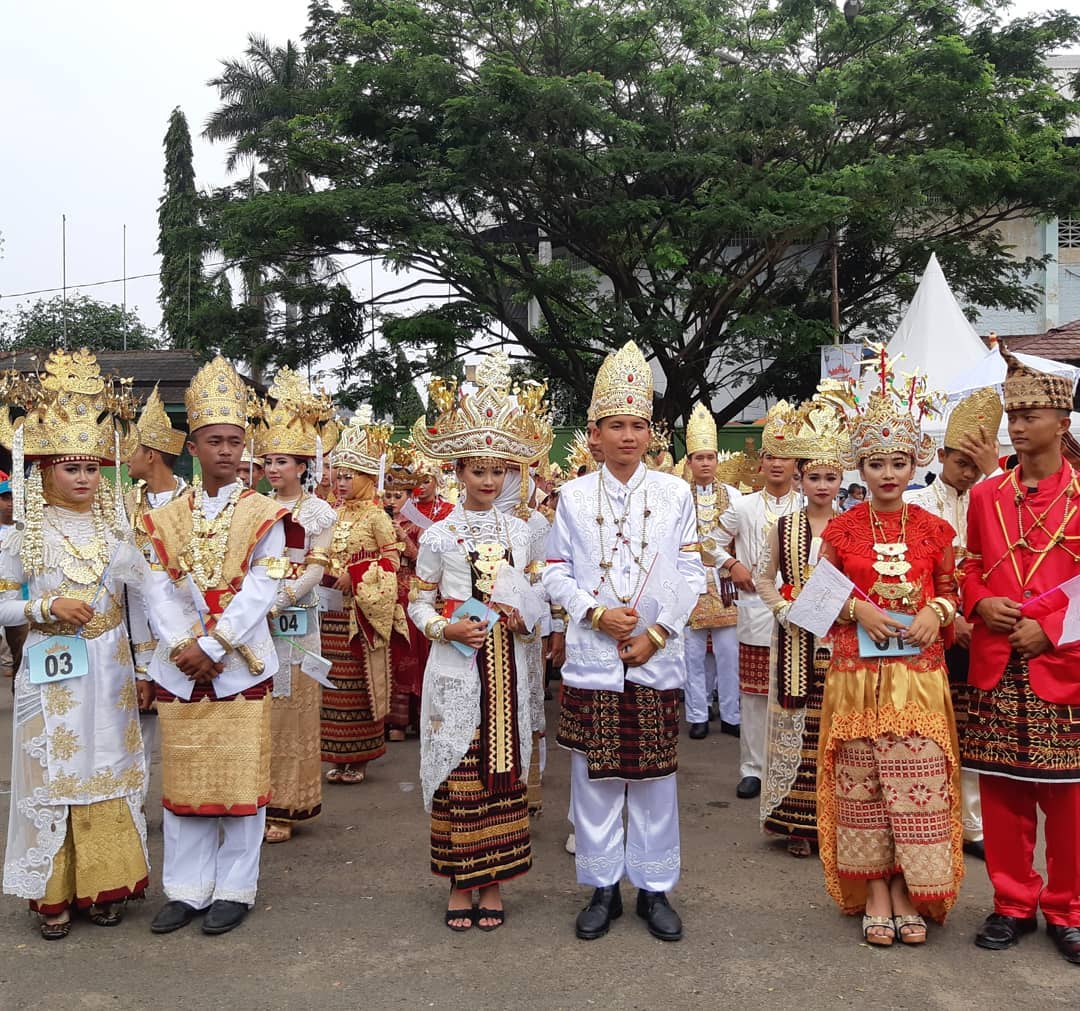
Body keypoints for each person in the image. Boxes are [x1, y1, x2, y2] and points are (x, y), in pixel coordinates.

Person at [544, 340, 705, 943]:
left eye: (638, 425)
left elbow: (693, 574)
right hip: (593, 659)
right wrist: (592, 613)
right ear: (593, 433)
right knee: (595, 779)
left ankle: (655, 889)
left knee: (656, 779)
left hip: (654, 659)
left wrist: (658, 634)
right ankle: (603, 887)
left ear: (650, 432)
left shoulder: (675, 493)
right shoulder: (573, 497)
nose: (628, 436)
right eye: (616, 426)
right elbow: (554, 568)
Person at [0, 349, 148, 940]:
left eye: (92, 468)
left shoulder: (117, 529)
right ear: (44, 471)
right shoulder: (21, 535)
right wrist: (43, 607)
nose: (85, 479)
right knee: (55, 770)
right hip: (51, 668)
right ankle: (53, 891)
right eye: (71, 468)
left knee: (108, 765)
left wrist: (144, 668)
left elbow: (140, 603)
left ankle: (105, 884)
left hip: (109, 665)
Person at [816, 354, 963, 947]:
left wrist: (937, 611)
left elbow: (953, 589)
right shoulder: (840, 530)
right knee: (862, 786)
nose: (887, 474)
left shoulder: (934, 530)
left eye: (898, 462)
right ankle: (875, 891)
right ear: (861, 466)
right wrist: (858, 609)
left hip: (919, 678)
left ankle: (909, 888)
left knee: (917, 779)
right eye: (876, 463)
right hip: (856, 676)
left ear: (914, 463)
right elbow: (811, 597)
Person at [141, 356, 288, 937]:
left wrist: (216, 643)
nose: (225, 451)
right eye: (213, 441)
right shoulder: (164, 515)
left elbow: (265, 582)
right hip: (180, 665)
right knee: (183, 778)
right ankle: (183, 888)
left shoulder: (265, 513)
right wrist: (185, 646)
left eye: (234, 440)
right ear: (193, 446)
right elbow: (155, 584)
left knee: (239, 783)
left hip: (239, 663)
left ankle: (234, 887)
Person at [409, 352, 547, 932]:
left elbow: (543, 595)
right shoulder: (438, 534)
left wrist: (526, 618)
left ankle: (493, 883)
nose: (489, 481)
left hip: (509, 664)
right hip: (458, 663)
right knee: (459, 769)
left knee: (502, 768)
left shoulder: (525, 530)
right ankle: (460, 884)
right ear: (457, 472)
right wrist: (444, 627)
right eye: (477, 470)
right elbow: (416, 598)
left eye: (498, 471)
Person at [962, 349, 1080, 965]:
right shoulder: (986, 495)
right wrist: (980, 603)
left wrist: (1052, 628)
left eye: (1031, 413)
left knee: (1068, 800)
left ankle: (1068, 908)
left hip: (1064, 662)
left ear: (1062, 420)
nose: (1017, 424)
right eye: (1013, 413)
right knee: (1002, 790)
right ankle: (1012, 903)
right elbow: (971, 565)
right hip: (996, 657)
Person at [904, 388, 1004, 861]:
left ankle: (972, 824)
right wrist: (951, 619)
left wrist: (973, 618)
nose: (967, 472)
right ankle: (928, 819)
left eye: (975, 464)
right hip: (931, 633)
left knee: (973, 728)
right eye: (959, 461)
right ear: (940, 455)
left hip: (982, 633)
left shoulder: (994, 500)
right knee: (929, 731)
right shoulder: (915, 504)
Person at [754, 395, 847, 858]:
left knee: (834, 725)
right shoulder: (784, 525)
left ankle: (836, 818)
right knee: (798, 722)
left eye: (830, 477)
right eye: (814, 477)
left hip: (840, 637)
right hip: (793, 634)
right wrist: (781, 608)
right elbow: (762, 576)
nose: (822, 485)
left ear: (841, 479)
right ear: (800, 477)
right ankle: (795, 820)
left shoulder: (852, 526)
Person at [254, 368, 339, 843]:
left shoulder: (318, 512)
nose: (273, 469)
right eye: (268, 460)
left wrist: (280, 597)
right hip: (257, 619)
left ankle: (288, 804)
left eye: (282, 461)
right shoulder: (255, 506)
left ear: (303, 465)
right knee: (262, 707)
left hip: (297, 618)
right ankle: (259, 799)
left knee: (293, 710)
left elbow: (316, 566)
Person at [717, 404, 804, 800]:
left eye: (784, 456)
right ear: (761, 461)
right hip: (755, 609)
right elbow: (710, 544)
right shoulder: (744, 506)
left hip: (802, 613)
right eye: (770, 455)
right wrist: (732, 563)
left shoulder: (808, 506)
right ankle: (753, 767)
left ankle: (794, 763)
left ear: (795, 463)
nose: (776, 463)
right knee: (754, 694)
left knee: (797, 689)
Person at [320, 414, 403, 784]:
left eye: (349, 475)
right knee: (332, 686)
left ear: (368, 478)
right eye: (339, 474)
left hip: (361, 613)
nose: (341, 481)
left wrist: (355, 577)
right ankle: (337, 755)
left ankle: (361, 758)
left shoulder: (376, 516)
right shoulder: (333, 514)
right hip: (329, 615)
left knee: (357, 689)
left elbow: (392, 560)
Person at [124, 384, 189, 804]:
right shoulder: (126, 503)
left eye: (132, 450)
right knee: (137, 725)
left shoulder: (192, 501)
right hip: (134, 621)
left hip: (183, 623)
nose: (126, 459)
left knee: (185, 721)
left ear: (151, 455)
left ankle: (190, 803)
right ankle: (135, 809)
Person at [682, 403, 740, 740]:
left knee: (728, 652)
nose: (705, 463)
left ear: (717, 460)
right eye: (699, 457)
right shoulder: (677, 496)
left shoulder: (733, 495)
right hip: (689, 582)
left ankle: (732, 714)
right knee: (691, 653)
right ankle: (697, 714)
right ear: (689, 462)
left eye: (710, 457)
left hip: (725, 582)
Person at [385, 445, 429, 741]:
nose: (391, 501)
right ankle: (386, 719)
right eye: (387, 495)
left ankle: (405, 720)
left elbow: (420, 560)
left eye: (397, 496)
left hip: (409, 593)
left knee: (408, 655)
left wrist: (402, 537)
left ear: (409, 496)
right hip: (384, 593)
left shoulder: (419, 525)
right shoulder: (379, 519)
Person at [0, 475, 27, 692]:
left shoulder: (27, 530)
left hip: (18, 600)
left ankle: (19, 694)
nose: (10, 503)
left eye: (14, 497)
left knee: (21, 650)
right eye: (4, 497)